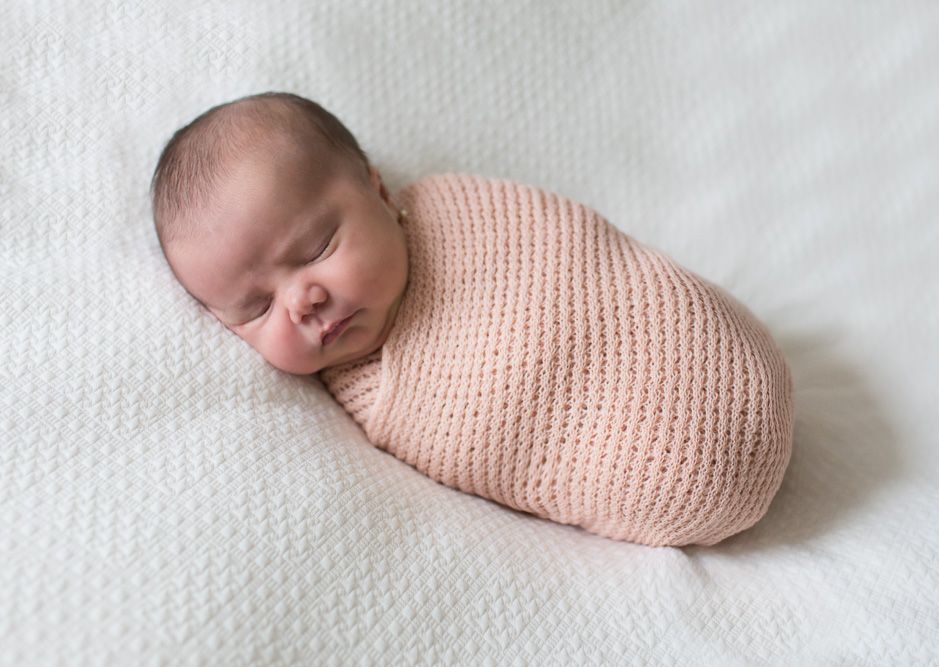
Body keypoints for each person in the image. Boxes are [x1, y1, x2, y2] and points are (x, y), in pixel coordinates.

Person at [152, 91, 795, 547]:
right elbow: (488, 448)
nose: (301, 302)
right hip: (663, 473)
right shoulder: (364, 399)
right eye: (257, 309)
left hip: (721, 357)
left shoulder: (457, 209)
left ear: (377, 191)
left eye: (316, 248)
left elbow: (583, 256)